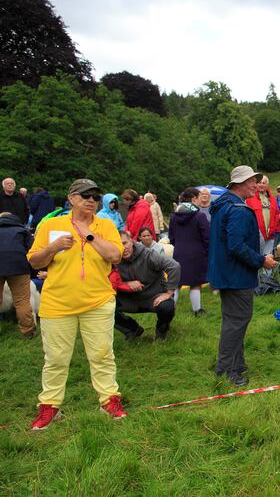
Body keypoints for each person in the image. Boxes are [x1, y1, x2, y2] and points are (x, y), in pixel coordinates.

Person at [26, 179, 126, 430]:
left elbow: (115, 256)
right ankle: (49, 407)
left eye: (95, 196)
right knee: (56, 359)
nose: (91, 200)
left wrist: (88, 235)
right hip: (57, 304)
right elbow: (35, 262)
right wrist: (52, 247)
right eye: (85, 195)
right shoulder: (51, 225)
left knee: (102, 355)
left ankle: (109, 401)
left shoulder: (105, 225)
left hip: (98, 301)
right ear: (71, 198)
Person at [208, 166, 277, 386]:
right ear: (240, 183)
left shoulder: (224, 204)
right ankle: (227, 371)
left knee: (233, 320)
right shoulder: (238, 209)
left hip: (226, 273)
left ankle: (236, 364)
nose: (256, 185)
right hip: (236, 275)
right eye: (252, 181)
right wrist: (261, 260)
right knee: (237, 322)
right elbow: (236, 246)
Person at [112, 231, 180, 340]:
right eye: (117, 245)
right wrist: (126, 284)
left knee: (167, 306)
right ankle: (132, 330)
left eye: (124, 243)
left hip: (153, 298)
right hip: (127, 299)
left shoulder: (149, 255)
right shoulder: (111, 260)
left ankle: (161, 330)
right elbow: (105, 281)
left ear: (131, 241)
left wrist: (169, 293)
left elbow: (174, 266)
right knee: (102, 306)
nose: (123, 248)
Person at [169, 187, 210, 317]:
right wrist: (207, 251)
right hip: (197, 254)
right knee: (195, 283)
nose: (199, 201)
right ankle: (197, 310)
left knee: (177, 284)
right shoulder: (200, 216)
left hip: (179, 252)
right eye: (198, 198)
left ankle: (169, 309)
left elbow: (171, 236)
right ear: (193, 198)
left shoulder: (174, 216)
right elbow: (207, 237)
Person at [0, 212, 36, 338]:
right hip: (18, 266)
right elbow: (33, 249)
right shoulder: (22, 230)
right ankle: (28, 332)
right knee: (22, 301)